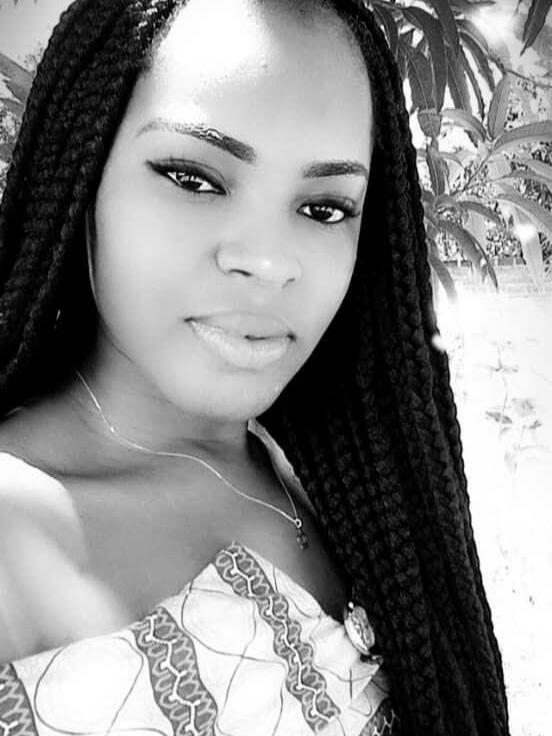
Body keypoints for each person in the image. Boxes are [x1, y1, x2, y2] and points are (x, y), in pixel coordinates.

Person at [0, 0, 510, 734]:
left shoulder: (354, 489)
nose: (268, 262)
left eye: (324, 208)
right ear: (80, 176)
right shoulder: (14, 533)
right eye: (193, 177)